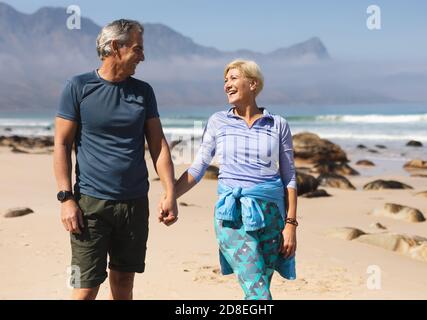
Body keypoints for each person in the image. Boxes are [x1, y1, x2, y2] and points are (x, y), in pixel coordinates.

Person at [53, 19, 178, 300]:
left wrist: (170, 193)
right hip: (90, 204)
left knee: (123, 286)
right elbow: (61, 143)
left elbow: (158, 145)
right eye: (137, 48)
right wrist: (66, 198)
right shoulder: (78, 86)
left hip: (134, 204)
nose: (143, 56)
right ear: (115, 47)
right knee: (85, 288)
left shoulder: (143, 92)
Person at [163, 59, 298, 300]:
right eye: (225, 80)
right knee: (259, 294)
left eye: (233, 78)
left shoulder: (278, 124)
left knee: (259, 287)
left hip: (271, 216)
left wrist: (291, 225)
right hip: (232, 216)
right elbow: (198, 168)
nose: (227, 85)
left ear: (253, 84)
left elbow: (289, 178)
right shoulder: (218, 121)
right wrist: (171, 196)